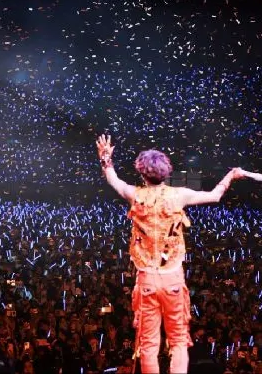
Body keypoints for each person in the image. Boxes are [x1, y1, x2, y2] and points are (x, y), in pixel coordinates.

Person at [96, 134, 243, 374]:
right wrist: (231, 175)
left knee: (149, 344)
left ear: (142, 173)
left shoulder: (136, 195)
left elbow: (115, 181)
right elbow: (215, 196)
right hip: (173, 278)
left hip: (146, 281)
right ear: (166, 172)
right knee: (178, 341)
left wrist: (106, 159)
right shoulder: (180, 195)